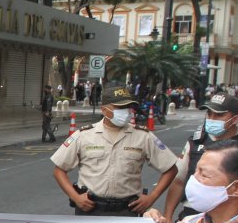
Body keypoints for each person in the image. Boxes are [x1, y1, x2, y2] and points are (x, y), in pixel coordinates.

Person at [50, 86, 178, 216]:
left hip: (127, 211)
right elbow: (59, 170)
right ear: (105, 110)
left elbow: (170, 168)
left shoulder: (143, 136)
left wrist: (151, 198)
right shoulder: (83, 135)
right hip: (91, 209)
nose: (127, 111)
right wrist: (76, 198)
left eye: (129, 107)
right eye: (120, 108)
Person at [162, 93, 238, 223]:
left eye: (219, 115)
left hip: (233, 220)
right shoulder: (195, 143)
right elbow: (179, 181)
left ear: (235, 119)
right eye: (209, 114)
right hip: (192, 216)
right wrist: (168, 216)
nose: (212, 118)